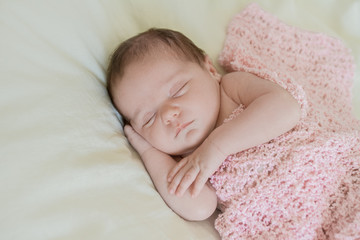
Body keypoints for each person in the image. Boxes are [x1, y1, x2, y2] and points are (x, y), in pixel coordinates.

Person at [106, 28, 301, 221]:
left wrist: (217, 147)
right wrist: (148, 151)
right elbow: (199, 208)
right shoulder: (182, 162)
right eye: (148, 119)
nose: (168, 114)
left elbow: (286, 107)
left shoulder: (231, 90)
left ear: (210, 69)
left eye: (178, 90)